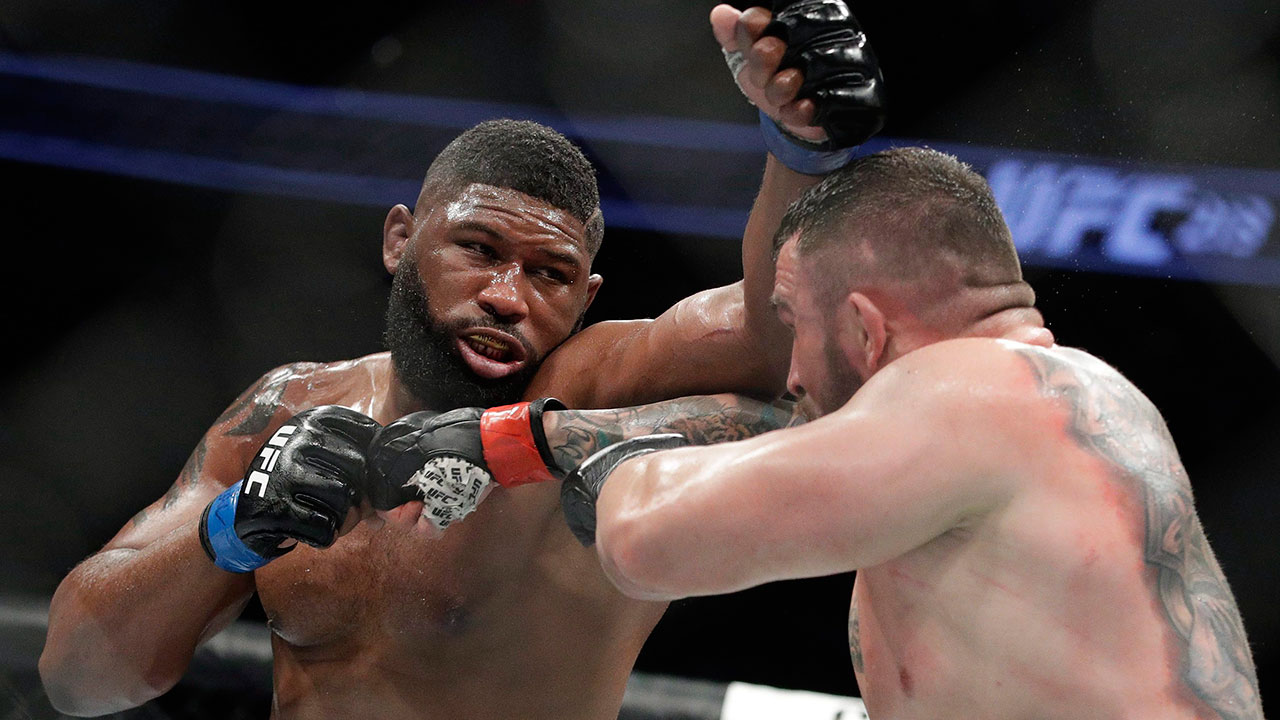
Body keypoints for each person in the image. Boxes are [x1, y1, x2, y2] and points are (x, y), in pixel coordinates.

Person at [38, 3, 887, 718]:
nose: (509, 297)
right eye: (478, 249)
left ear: (586, 300)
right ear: (399, 239)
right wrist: (224, 535)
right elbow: (77, 679)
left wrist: (797, 155)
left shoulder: (590, 383)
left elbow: (772, 326)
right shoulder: (289, 405)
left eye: (550, 275)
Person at [549, 147, 1265, 719]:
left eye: (794, 321)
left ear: (865, 326)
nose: (791, 372)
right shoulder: (1037, 402)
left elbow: (645, 538)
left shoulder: (972, 389)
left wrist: (577, 442)